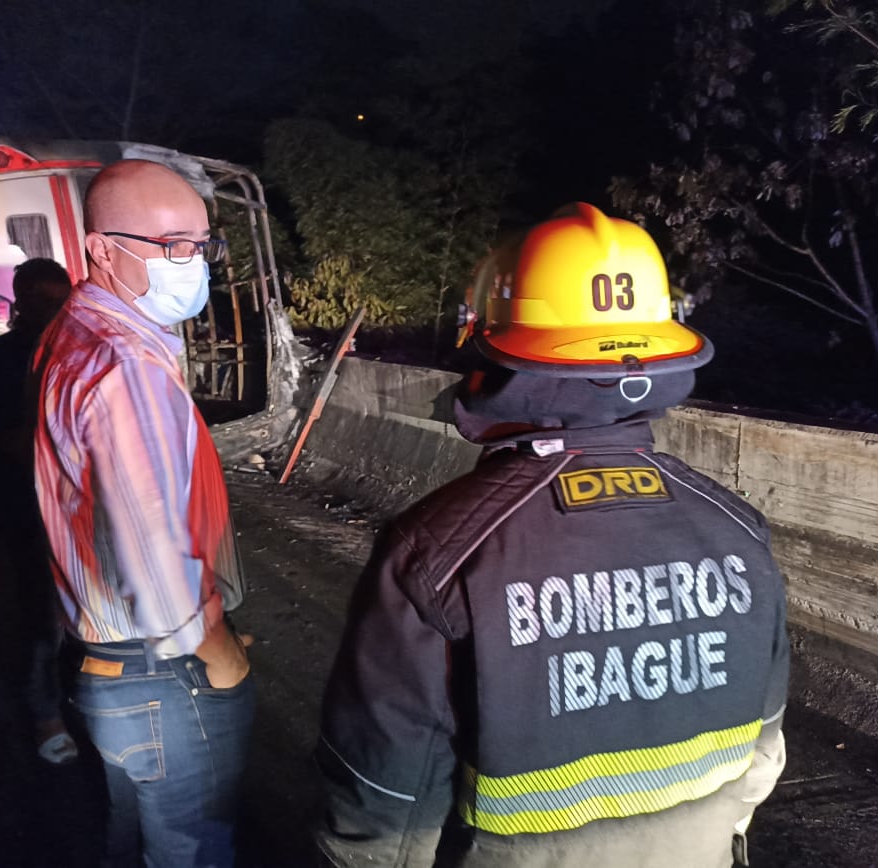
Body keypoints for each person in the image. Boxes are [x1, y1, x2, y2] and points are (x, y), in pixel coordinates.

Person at [316, 203, 789, 868]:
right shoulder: (740, 532)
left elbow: (382, 810)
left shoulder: (435, 557)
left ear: (493, 350)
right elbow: (761, 762)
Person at [32, 159, 254, 868]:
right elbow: (158, 562)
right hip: (164, 673)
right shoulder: (125, 364)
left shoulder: (73, 333)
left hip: (108, 668)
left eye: (201, 244)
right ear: (102, 248)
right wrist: (219, 656)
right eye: (173, 245)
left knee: (129, 840)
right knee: (191, 851)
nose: (194, 263)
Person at [0, 257, 79, 766]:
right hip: (31, 508)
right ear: (22, 300)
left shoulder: (73, 352)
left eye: (64, 300)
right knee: (41, 617)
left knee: (90, 609)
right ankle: (45, 716)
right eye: (46, 302)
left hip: (81, 511)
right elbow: (12, 441)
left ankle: (84, 699)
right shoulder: (0, 360)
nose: (58, 311)